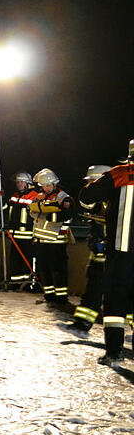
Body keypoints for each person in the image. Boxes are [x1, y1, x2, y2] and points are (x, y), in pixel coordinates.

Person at [79, 139, 134, 366]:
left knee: (114, 301)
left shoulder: (120, 174)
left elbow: (85, 198)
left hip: (120, 251)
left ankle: (114, 352)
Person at [69, 165, 112, 335]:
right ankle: (82, 324)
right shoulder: (101, 202)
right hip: (101, 255)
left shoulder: (114, 201)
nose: (90, 185)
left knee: (124, 295)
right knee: (93, 289)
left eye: (92, 182)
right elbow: (86, 203)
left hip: (116, 257)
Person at [28, 169, 74, 311]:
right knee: (43, 269)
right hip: (42, 240)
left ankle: (61, 299)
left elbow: (65, 216)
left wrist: (45, 213)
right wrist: (39, 203)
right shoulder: (42, 197)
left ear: (54, 184)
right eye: (43, 186)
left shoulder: (63, 198)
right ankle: (49, 297)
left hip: (57, 240)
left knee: (58, 270)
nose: (45, 188)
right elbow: (32, 212)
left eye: (48, 186)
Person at [6, 171, 38, 288]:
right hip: (15, 234)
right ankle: (15, 283)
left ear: (28, 183)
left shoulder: (34, 196)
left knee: (28, 259)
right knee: (15, 259)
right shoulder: (14, 195)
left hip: (28, 234)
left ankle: (28, 284)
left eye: (21, 182)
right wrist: (0, 198)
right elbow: (6, 208)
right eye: (17, 182)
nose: (19, 184)